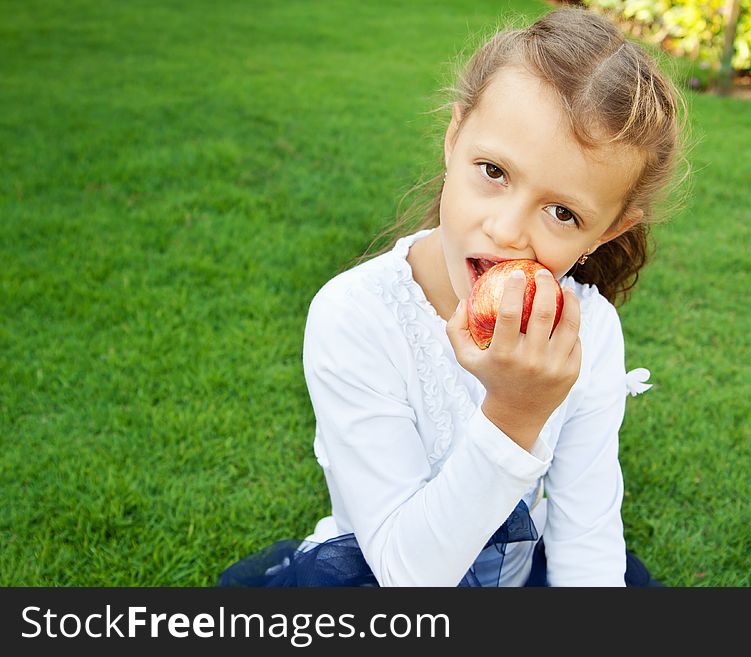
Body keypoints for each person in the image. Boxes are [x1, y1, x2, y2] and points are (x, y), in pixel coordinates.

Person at [219, 5, 687, 587]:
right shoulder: (357, 317)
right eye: (493, 171)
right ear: (453, 138)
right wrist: (515, 413)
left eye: (563, 212)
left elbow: (586, 538)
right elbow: (405, 573)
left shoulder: (586, 332)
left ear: (608, 231)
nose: (508, 230)